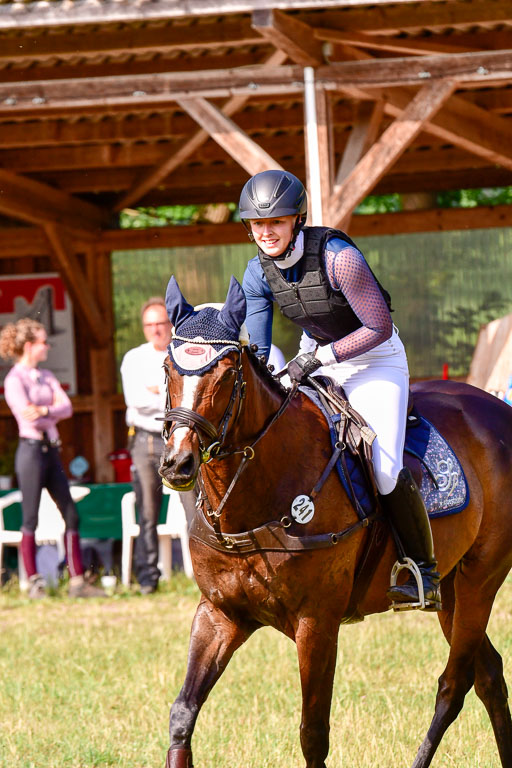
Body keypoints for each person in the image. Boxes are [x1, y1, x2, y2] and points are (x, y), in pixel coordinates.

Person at [239, 169, 441, 610]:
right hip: (317, 355)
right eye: (257, 224)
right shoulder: (257, 273)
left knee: (384, 469)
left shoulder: (339, 257)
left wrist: (317, 360)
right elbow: (258, 348)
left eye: (276, 221)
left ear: (297, 219)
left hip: (375, 360)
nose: (266, 232)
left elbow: (379, 327)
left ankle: (423, 571)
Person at [0, 318, 105, 599]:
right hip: (31, 451)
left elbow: (66, 407)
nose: (47, 346)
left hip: (51, 450)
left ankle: (77, 580)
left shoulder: (45, 376)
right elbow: (26, 413)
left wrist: (45, 411)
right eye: (43, 342)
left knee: (71, 513)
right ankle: (34, 581)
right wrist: (51, 409)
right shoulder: (14, 379)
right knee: (30, 517)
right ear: (29, 346)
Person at [120, 297, 196, 593]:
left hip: (181, 437)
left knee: (193, 509)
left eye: (160, 324)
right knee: (148, 512)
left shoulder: (184, 353)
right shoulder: (134, 358)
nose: (155, 330)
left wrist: (159, 391)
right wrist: (168, 394)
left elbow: (188, 400)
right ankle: (148, 579)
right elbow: (136, 401)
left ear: (171, 325)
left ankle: (203, 573)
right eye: (149, 325)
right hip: (147, 440)